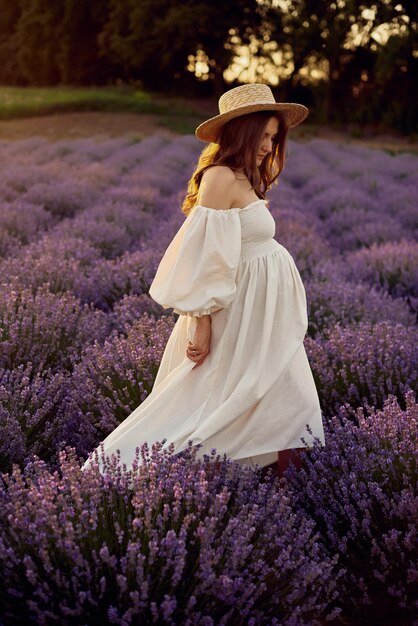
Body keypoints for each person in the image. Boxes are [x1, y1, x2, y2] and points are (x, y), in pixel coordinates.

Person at [82, 83, 326, 480]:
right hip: (236, 314)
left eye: (274, 137)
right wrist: (201, 319)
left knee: (285, 400)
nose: (269, 145)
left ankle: (286, 500)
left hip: (262, 316)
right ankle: (126, 475)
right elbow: (202, 257)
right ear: (242, 131)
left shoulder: (246, 177)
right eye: (263, 135)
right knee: (217, 405)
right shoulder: (219, 177)